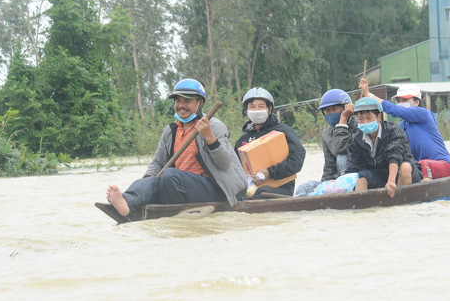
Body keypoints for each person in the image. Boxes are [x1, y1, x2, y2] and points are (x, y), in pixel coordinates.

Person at [106, 78, 247, 218]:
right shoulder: (171, 130)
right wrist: (148, 185)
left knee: (169, 174)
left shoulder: (213, 126)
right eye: (178, 101)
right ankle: (127, 202)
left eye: (187, 101)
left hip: (213, 188)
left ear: (200, 103)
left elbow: (224, 162)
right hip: (178, 186)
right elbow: (157, 163)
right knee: (154, 179)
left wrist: (210, 138)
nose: (181, 105)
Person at [359, 79, 450, 179]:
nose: (400, 103)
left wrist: (369, 95)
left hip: (442, 165)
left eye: (404, 100)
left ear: (416, 102)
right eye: (398, 101)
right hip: (419, 167)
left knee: (423, 164)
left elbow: (394, 110)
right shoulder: (401, 126)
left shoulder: (424, 114)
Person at [234, 87, 306, 197]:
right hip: (250, 188)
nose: (257, 110)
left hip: (280, 189)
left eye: (261, 106)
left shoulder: (284, 132)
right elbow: (235, 167)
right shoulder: (242, 139)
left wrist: (270, 173)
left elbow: (297, 160)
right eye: (252, 107)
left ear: (270, 109)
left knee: (259, 194)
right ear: (246, 111)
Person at [348, 96, 421, 197]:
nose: (365, 122)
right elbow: (355, 166)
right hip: (377, 175)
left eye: (369, 118)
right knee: (360, 179)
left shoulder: (392, 130)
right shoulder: (357, 138)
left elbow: (394, 155)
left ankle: (401, 203)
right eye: (361, 119)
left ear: (379, 117)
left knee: (405, 167)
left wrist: (391, 181)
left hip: (401, 173)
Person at [317, 88, 357, 181]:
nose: (331, 113)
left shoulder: (357, 125)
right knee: (304, 188)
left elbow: (342, 148)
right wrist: (324, 185)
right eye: (327, 110)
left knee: (341, 157)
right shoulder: (326, 134)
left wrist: (343, 119)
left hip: (354, 176)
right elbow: (329, 165)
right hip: (336, 180)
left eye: (334, 109)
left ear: (346, 108)